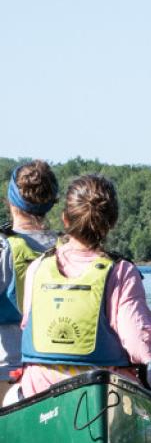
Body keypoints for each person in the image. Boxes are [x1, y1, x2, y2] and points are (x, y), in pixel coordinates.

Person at [7, 173, 151, 404]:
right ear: (112, 222)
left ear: (65, 219)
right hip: (106, 396)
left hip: (41, 394)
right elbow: (141, 346)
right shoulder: (121, 271)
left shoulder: (38, 267)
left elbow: (28, 326)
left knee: (9, 398)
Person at [0, 161, 59, 402]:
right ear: (51, 203)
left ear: (10, 201)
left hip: (6, 372)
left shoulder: (3, 247)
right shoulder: (70, 248)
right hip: (57, 373)